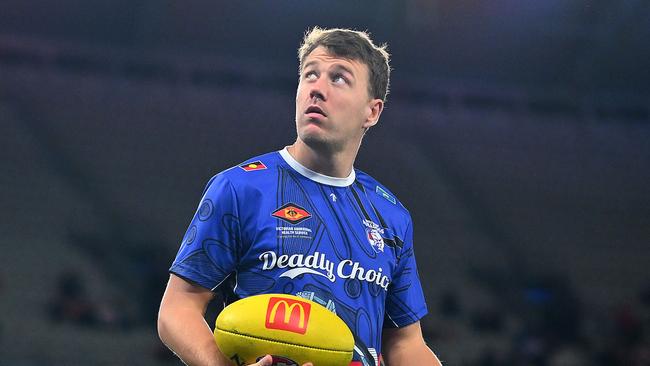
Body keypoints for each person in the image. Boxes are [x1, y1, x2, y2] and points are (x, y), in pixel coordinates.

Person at [158, 27, 442, 366]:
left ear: (372, 111)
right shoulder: (240, 188)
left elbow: (406, 344)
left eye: (338, 79)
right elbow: (177, 309)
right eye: (310, 75)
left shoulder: (391, 215)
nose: (317, 89)